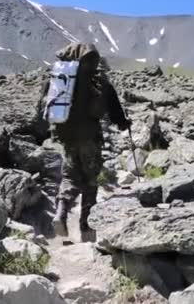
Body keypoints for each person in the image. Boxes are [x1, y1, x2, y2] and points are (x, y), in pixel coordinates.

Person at [37, 43, 131, 241]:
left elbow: (42, 107)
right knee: (90, 179)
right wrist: (124, 123)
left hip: (67, 137)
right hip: (90, 138)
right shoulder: (99, 80)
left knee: (70, 176)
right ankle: (86, 227)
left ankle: (61, 211)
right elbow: (114, 110)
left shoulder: (61, 78)